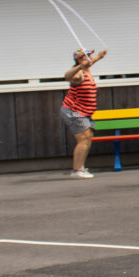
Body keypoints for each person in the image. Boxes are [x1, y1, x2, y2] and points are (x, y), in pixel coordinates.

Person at [61, 47, 107, 178]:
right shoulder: (79, 74)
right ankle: (77, 171)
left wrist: (99, 57)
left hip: (84, 111)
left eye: (89, 56)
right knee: (83, 138)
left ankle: (80, 167)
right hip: (74, 111)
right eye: (86, 57)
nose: (89, 59)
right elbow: (67, 76)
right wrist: (80, 66)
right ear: (79, 60)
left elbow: (90, 62)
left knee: (88, 137)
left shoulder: (87, 69)